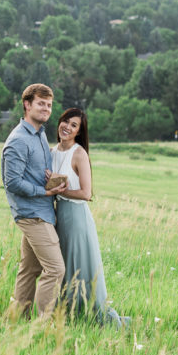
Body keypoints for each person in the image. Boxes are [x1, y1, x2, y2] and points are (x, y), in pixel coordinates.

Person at [51, 107, 129, 327]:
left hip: (76, 218)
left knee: (79, 266)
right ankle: (64, 314)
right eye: (66, 121)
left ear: (78, 131)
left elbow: (86, 193)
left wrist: (59, 190)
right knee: (62, 266)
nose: (67, 127)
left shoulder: (79, 153)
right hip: (58, 216)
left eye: (74, 125)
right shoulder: (52, 152)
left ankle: (86, 315)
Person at [1, 83, 69, 317]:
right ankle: (42, 324)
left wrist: (54, 179)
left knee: (29, 269)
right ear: (27, 105)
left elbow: (36, 172)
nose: (46, 109)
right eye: (41, 103)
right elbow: (12, 182)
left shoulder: (39, 135)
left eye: (49, 105)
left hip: (42, 212)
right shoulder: (19, 140)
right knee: (56, 269)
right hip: (32, 214)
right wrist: (44, 192)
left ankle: (18, 317)